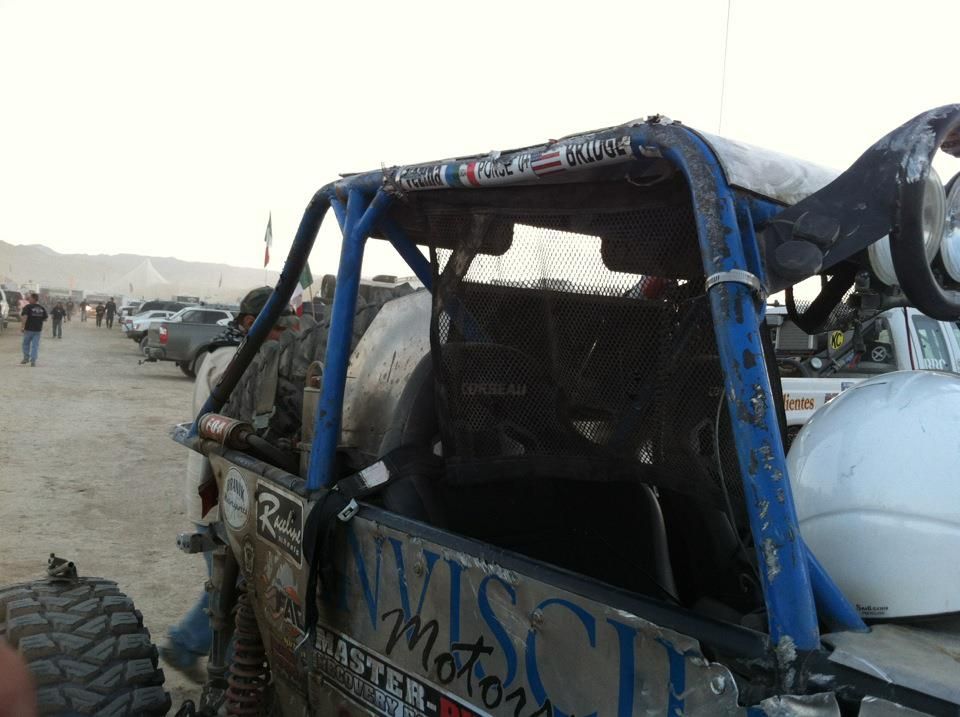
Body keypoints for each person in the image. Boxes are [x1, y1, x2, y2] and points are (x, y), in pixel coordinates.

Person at [160, 287, 298, 676]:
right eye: (281, 327)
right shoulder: (231, 361)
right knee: (236, 593)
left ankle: (222, 666)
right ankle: (193, 651)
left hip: (224, 487)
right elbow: (245, 423)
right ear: (253, 323)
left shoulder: (230, 352)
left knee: (235, 589)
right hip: (221, 491)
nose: (286, 336)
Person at [20, 293, 47, 367]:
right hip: (38, 330)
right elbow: (45, 318)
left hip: (28, 329)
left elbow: (24, 317)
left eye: (30, 298)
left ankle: (26, 358)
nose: (29, 299)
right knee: (35, 346)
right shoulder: (41, 308)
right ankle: (33, 361)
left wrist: (22, 327)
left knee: (26, 344)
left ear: (33, 299)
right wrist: (38, 320)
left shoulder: (27, 307)